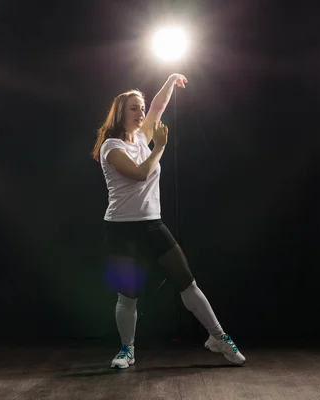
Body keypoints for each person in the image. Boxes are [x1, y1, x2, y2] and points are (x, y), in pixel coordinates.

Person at [91, 73, 246, 368]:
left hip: (152, 224)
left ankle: (218, 337)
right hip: (121, 230)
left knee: (188, 284)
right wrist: (159, 147)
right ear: (121, 112)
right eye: (134, 108)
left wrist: (170, 80)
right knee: (128, 296)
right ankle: (127, 349)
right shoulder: (112, 147)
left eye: (142, 107)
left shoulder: (140, 138)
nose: (141, 113)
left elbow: (158, 107)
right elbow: (140, 173)